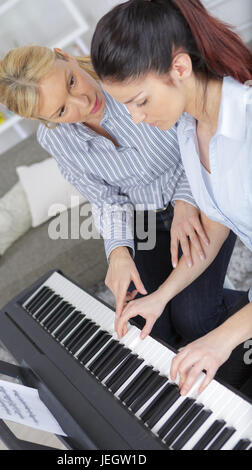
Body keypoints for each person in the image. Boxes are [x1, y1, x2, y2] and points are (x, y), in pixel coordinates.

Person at [0, 44, 243, 353]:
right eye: (60, 110)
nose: (82, 101)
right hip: (144, 220)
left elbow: (195, 136)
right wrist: (119, 253)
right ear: (44, 119)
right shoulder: (54, 138)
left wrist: (186, 201)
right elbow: (104, 198)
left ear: (66, 56)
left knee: (194, 320)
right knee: (150, 329)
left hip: (201, 192)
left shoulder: (129, 76)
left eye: (71, 81)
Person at [90, 0, 252, 395]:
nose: (137, 118)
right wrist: (160, 298)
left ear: (179, 68)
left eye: (140, 101)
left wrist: (222, 339)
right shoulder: (187, 129)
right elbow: (216, 223)